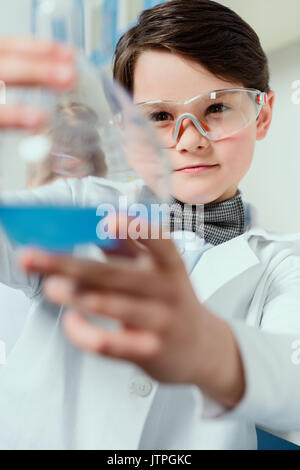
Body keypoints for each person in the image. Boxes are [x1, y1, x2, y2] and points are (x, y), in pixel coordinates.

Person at [1, 0, 300, 450]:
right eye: (159, 116)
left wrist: (212, 349)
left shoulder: (282, 265)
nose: (191, 139)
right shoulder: (80, 206)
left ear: (262, 114)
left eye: (217, 108)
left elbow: (292, 385)